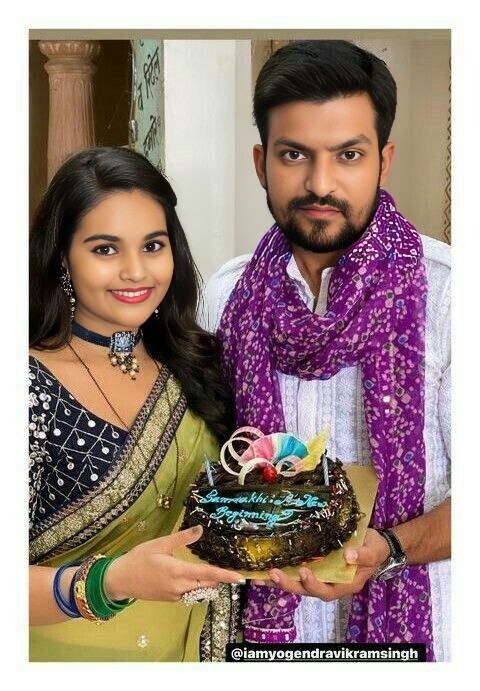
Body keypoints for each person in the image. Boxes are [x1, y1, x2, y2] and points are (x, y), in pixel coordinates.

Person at [201, 40, 450, 661]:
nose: (320, 183)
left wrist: (390, 550)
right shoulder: (225, 297)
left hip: (420, 636)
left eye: (348, 155)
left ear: (383, 161)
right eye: (294, 154)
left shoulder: (451, 294)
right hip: (261, 642)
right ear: (261, 163)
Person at [29, 146, 246, 662]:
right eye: (105, 249)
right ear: (62, 257)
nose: (135, 271)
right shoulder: (28, 387)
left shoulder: (198, 360)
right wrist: (113, 580)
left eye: (153, 245)